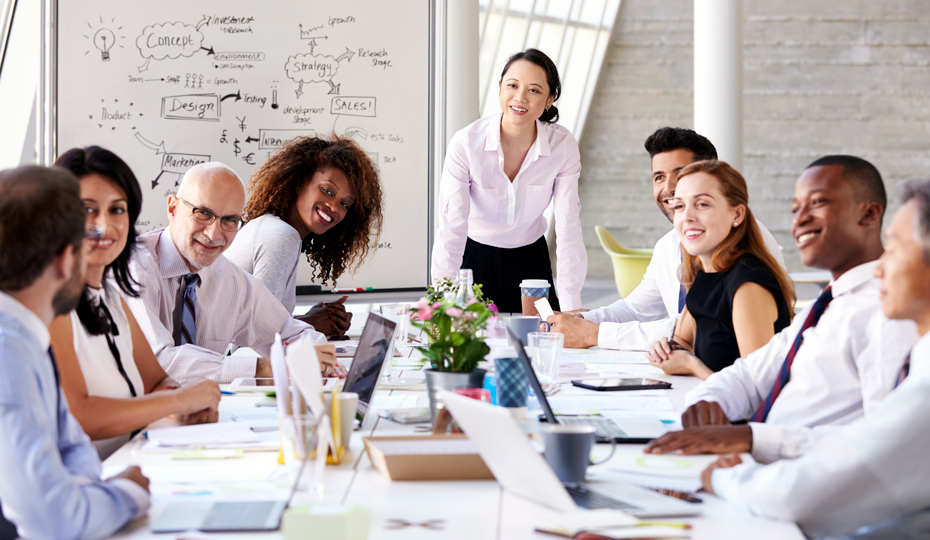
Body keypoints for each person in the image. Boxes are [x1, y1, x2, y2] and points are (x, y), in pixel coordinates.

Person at [644, 156, 917, 467]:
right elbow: (750, 374)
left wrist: (752, 439)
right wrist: (709, 400)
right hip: (755, 466)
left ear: (869, 214)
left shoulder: (887, 315)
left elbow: (884, 443)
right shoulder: (825, 306)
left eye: (817, 203)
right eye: (795, 208)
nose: (799, 220)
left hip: (798, 485)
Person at [700, 179, 930, 538]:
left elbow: (808, 490)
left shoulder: (898, 340)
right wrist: (724, 418)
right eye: (795, 208)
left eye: (896, 249)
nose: (880, 267)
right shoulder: (833, 308)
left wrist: (727, 472)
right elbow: (750, 371)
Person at [0, 165, 150, 539]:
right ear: (67, 259)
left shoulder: (27, 337)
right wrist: (127, 492)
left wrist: (81, 493)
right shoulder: (9, 354)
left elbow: (72, 444)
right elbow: (53, 521)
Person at [49, 146, 221, 460]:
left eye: (117, 209)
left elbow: (155, 380)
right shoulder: (52, 305)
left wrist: (184, 407)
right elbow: (78, 416)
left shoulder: (111, 296)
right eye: (87, 210)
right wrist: (178, 402)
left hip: (129, 465)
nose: (104, 224)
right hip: (82, 490)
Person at [546, 127, 785, 349]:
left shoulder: (746, 251)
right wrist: (576, 320)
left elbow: (700, 332)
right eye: (659, 177)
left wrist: (594, 333)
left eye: (680, 174)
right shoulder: (671, 244)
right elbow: (637, 309)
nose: (669, 188)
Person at [123, 162, 342, 385]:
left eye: (230, 220)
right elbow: (158, 361)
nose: (214, 233)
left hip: (205, 413)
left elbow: (289, 331)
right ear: (173, 208)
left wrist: (319, 357)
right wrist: (270, 366)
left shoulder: (228, 279)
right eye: (203, 213)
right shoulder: (134, 268)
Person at [431, 48, 585, 313]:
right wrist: (440, 302)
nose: (520, 97)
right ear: (500, 87)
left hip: (531, 260)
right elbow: (452, 227)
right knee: (469, 344)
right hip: (475, 257)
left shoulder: (563, 145)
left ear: (550, 98)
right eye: (512, 85)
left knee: (545, 335)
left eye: (534, 90)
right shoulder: (467, 143)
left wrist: (572, 308)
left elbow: (569, 226)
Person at [644, 160, 794, 378]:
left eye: (703, 204)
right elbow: (681, 341)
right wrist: (665, 349)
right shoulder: (704, 270)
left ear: (737, 215)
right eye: (679, 206)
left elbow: (758, 387)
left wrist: (692, 367)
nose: (687, 217)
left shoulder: (748, 284)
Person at [225, 135, 384, 336]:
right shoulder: (280, 235)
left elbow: (255, 324)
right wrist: (311, 324)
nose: (334, 207)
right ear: (300, 182)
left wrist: (307, 320)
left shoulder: (272, 227)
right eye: (327, 190)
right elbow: (257, 335)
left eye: (344, 204)